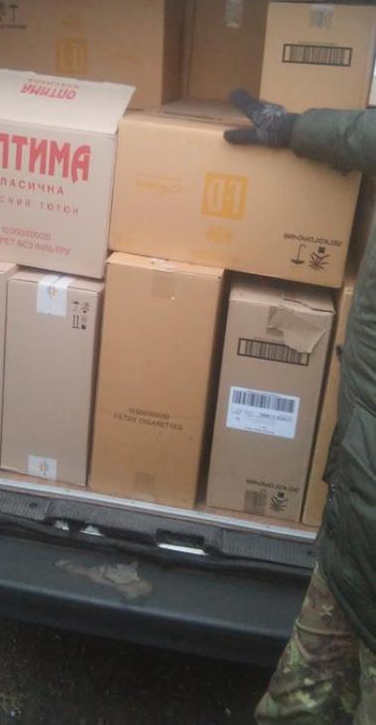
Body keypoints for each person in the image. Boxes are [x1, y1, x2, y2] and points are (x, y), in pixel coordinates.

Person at [224, 90, 376, 724]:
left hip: (359, 519)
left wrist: (291, 128)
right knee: (294, 705)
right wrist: (291, 128)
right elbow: (359, 135)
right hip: (353, 537)